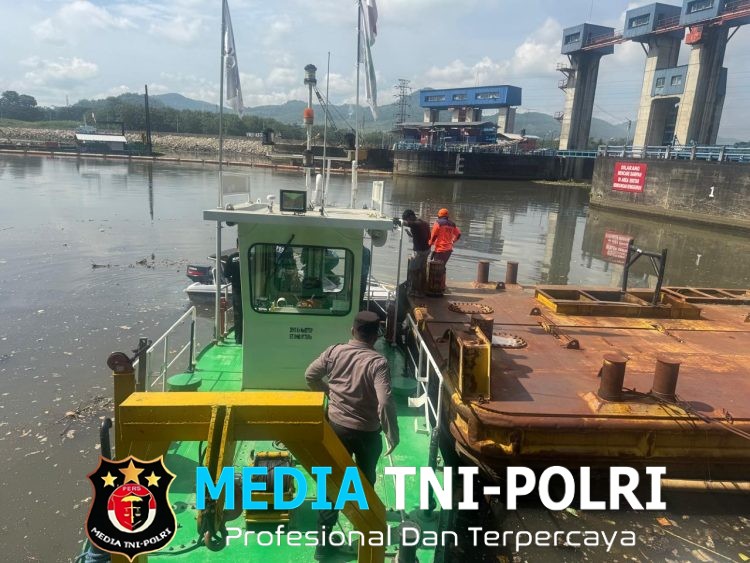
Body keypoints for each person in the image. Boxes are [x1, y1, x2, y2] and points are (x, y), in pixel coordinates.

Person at [305, 311, 399, 560]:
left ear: (352, 331)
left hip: (336, 430)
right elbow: (385, 402)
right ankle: (365, 534)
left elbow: (310, 376)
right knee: (365, 485)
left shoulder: (334, 352)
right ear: (376, 336)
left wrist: (330, 393)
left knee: (331, 484)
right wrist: (392, 434)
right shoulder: (378, 363)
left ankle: (322, 546)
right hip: (367, 435)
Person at [401, 209, 431, 295]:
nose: (407, 221)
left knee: (412, 270)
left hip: (419, 251)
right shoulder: (423, 223)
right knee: (421, 269)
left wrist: (397, 221)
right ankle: (422, 289)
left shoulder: (415, 224)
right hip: (427, 249)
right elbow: (422, 235)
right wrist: (410, 234)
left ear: (411, 217)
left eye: (407, 219)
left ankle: (415, 291)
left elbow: (404, 223)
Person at [223, 243, 243, 345]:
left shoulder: (232, 257)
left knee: (238, 314)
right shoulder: (252, 256)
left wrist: (233, 281)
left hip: (237, 290)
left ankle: (239, 339)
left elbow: (226, 274)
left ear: (237, 245)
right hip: (251, 290)